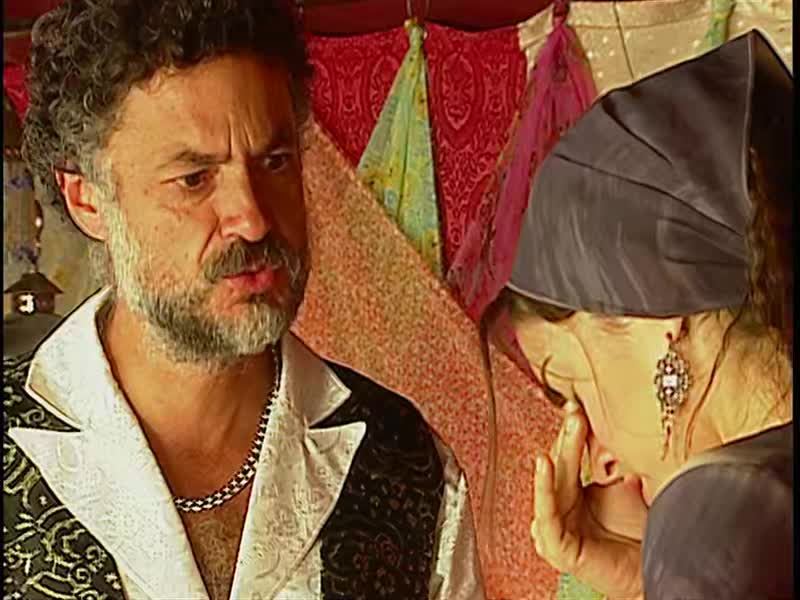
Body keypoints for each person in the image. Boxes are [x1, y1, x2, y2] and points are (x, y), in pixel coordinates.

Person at [3, 2, 484, 599]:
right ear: (87, 199)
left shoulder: (408, 464)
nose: (252, 219)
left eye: (275, 162)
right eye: (194, 178)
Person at [502, 31, 792, 599]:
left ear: (660, 321)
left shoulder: (719, 512)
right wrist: (643, 582)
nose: (599, 461)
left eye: (574, 392)